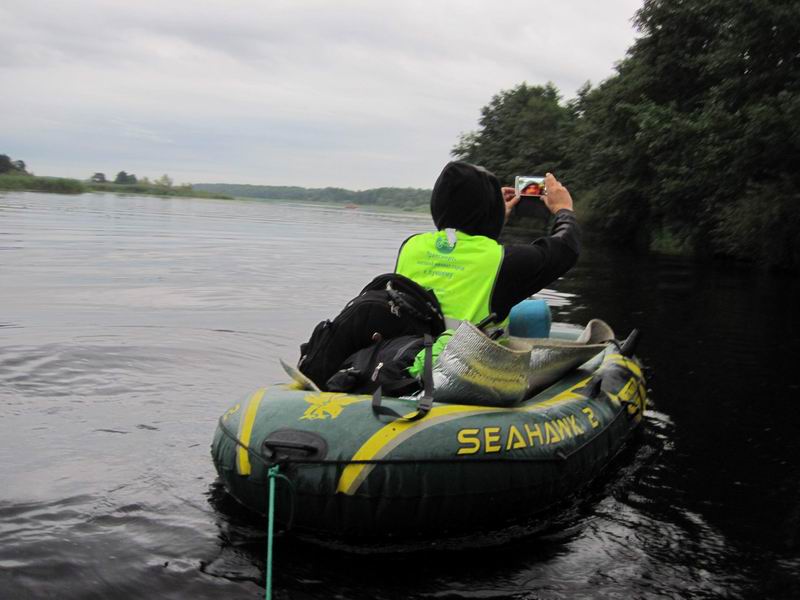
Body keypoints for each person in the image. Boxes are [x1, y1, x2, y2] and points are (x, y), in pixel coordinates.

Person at [394, 161, 579, 372]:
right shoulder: (504, 262)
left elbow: (462, 246)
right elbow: (566, 248)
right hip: (461, 373)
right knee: (534, 312)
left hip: (404, 358)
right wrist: (563, 209)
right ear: (492, 213)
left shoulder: (411, 246)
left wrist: (492, 216)